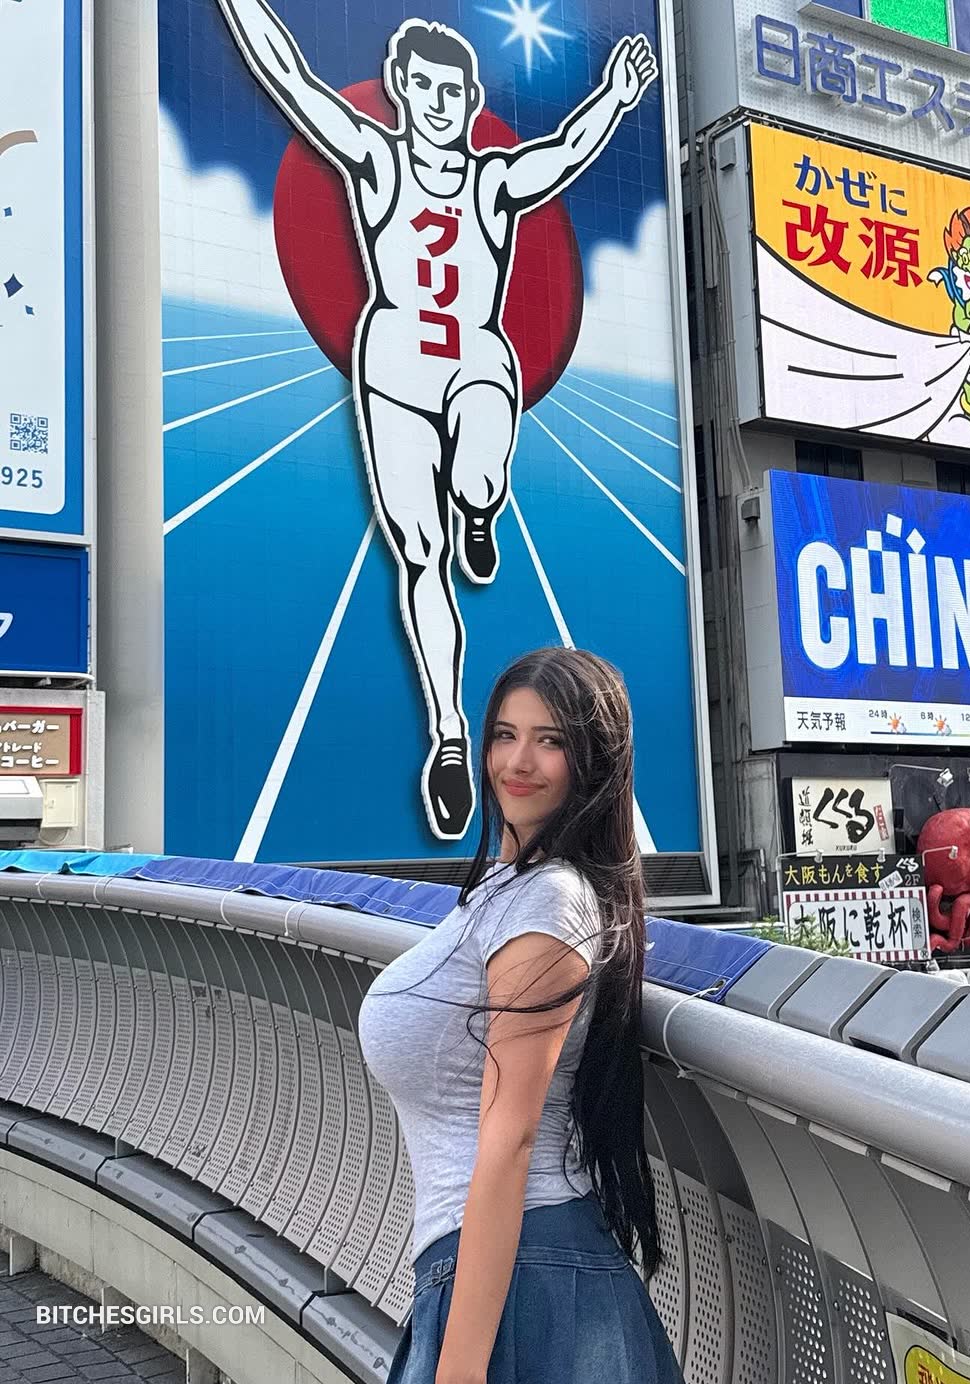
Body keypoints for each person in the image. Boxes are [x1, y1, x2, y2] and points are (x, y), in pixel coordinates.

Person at [215, 1, 658, 841]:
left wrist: (614, 95)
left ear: (468, 97)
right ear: (403, 89)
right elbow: (290, 79)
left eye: (453, 90)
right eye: (425, 87)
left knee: (479, 474)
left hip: (476, 360)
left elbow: (564, 152)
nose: (440, 102)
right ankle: (450, 735)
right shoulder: (376, 162)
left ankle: (480, 507)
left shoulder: (491, 183)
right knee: (421, 554)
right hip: (393, 369)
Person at [358, 647, 692, 1384]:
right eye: (505, 735)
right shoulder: (507, 890)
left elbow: (510, 1137)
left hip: (526, 1284)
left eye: (550, 741)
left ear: (594, 761)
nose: (518, 761)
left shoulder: (550, 902)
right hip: (503, 1271)